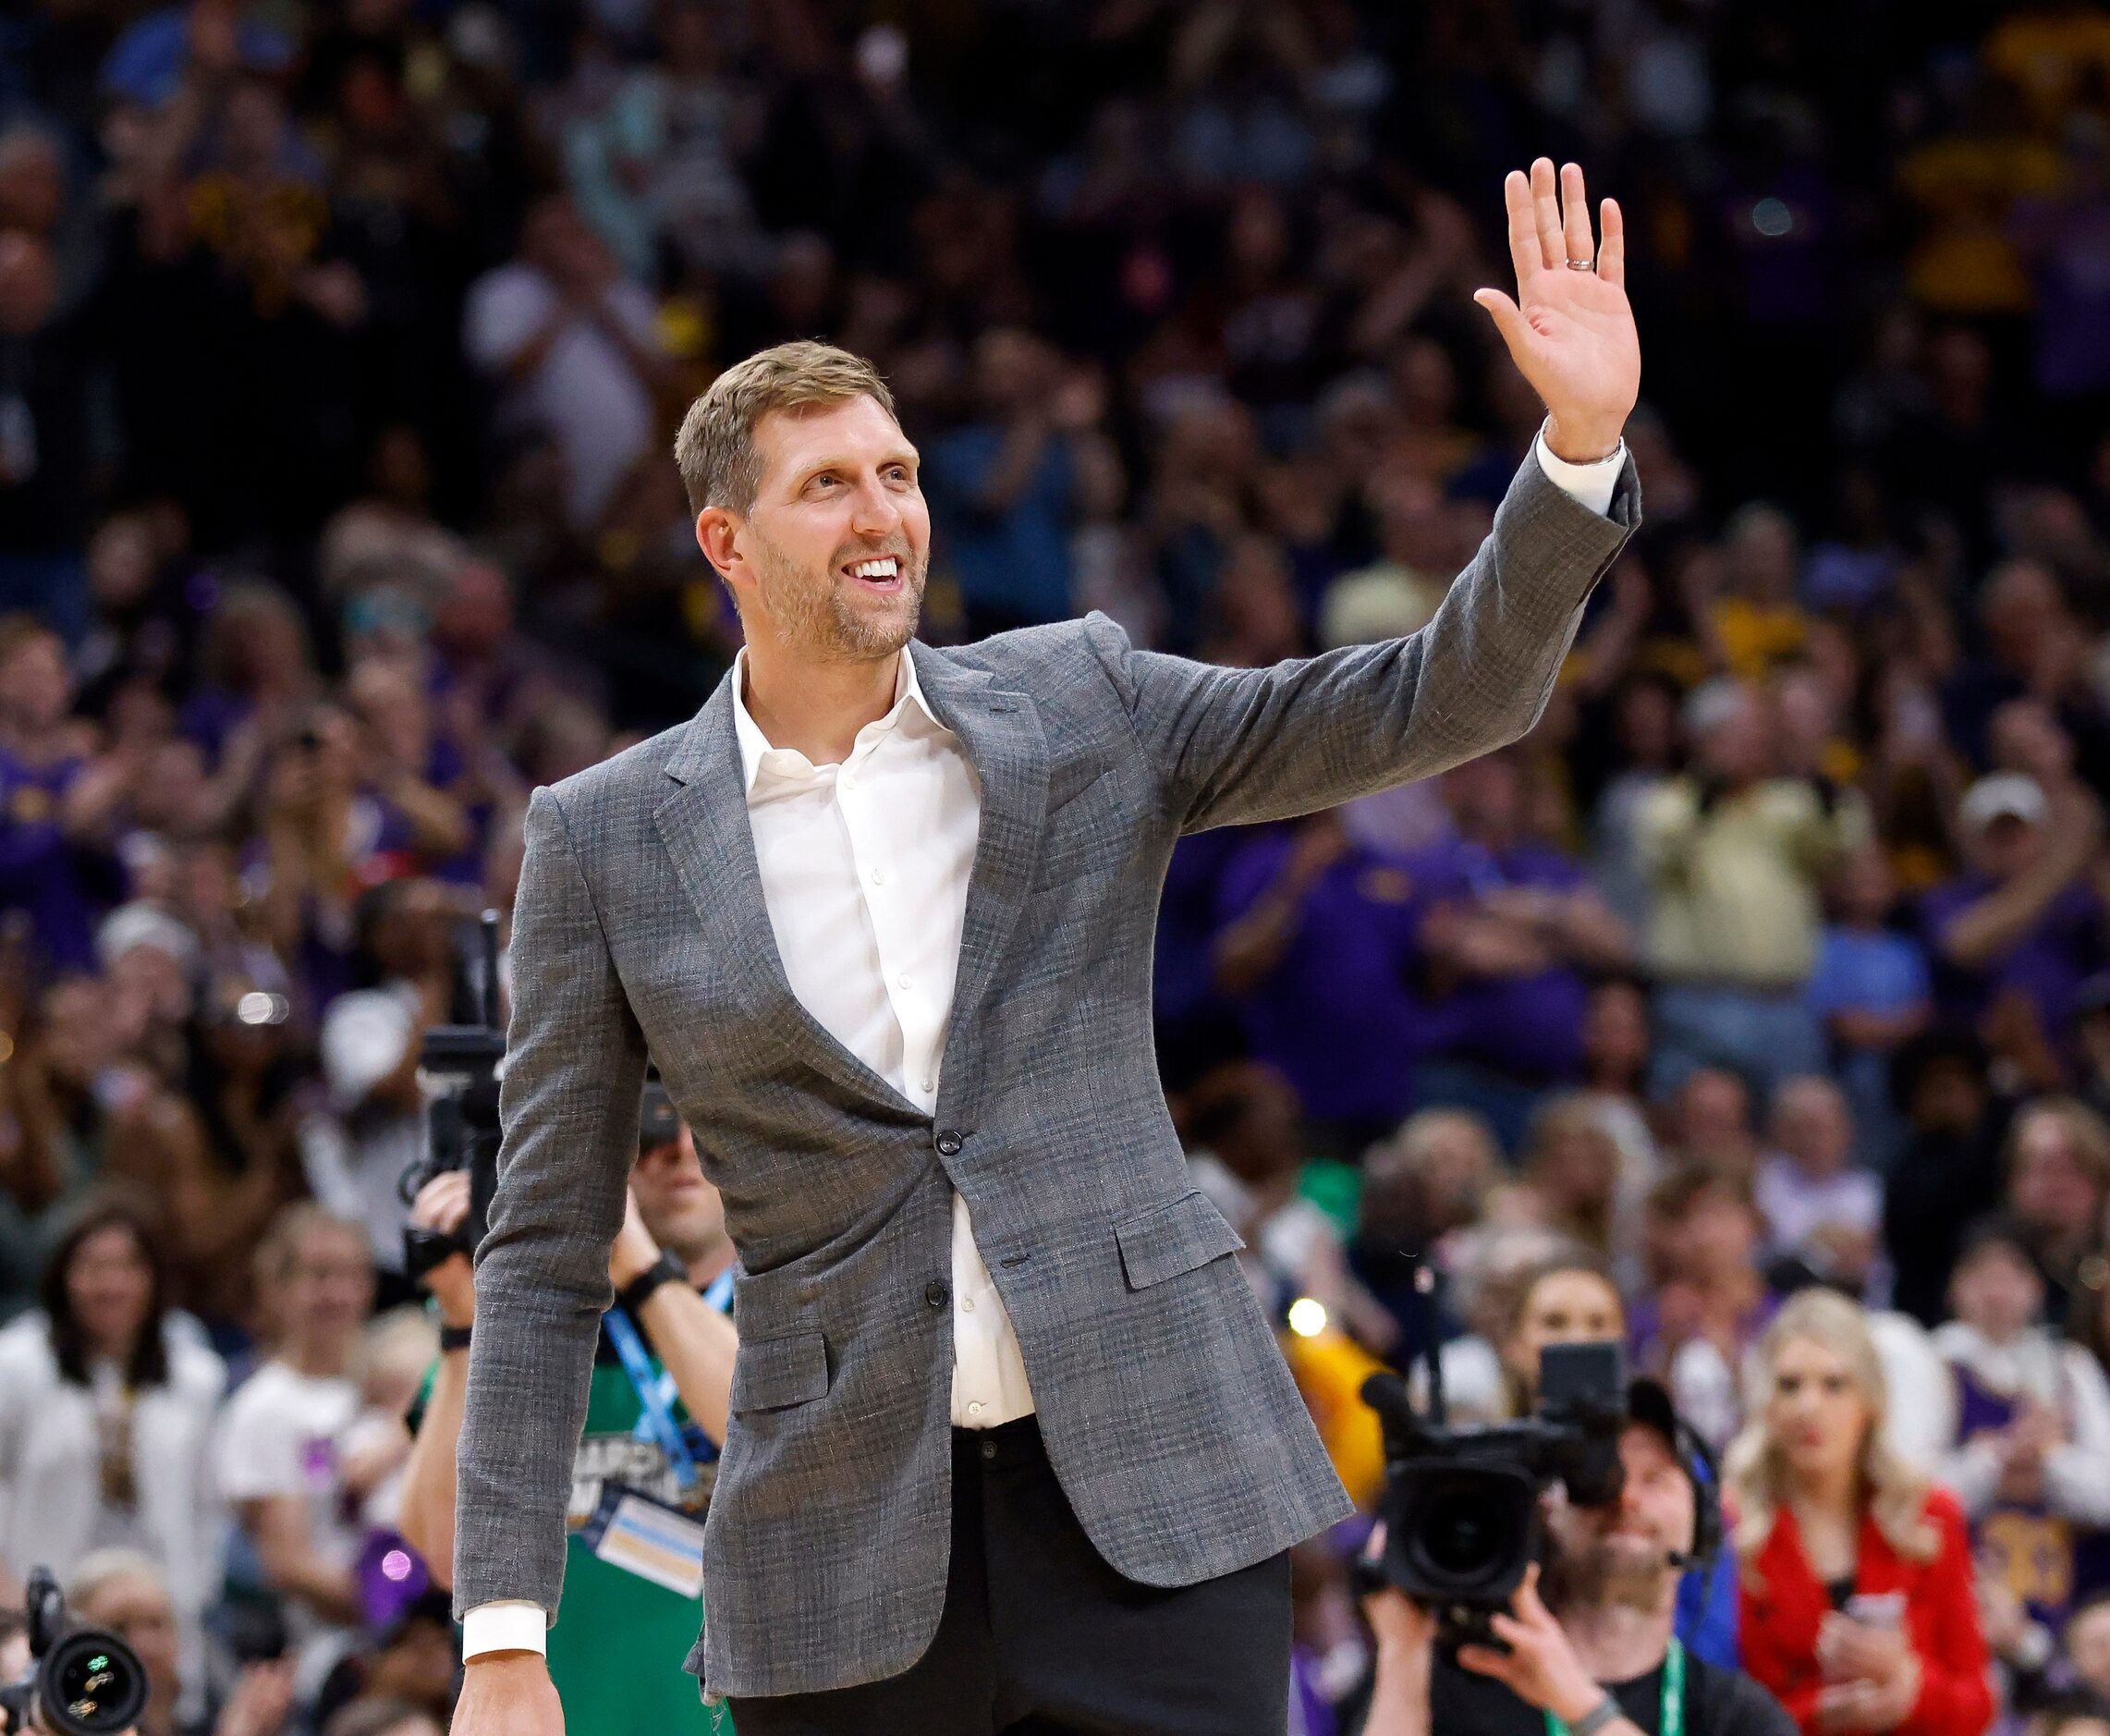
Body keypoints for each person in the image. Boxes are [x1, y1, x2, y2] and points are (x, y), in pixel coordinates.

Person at [452, 155, 1644, 1736]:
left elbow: (1437, 697)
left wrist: (1572, 450)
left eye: (899, 472)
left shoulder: (1079, 701)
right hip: (840, 1556)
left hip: (1158, 1499)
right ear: (724, 542)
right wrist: (499, 1636)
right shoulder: (603, 837)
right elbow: (538, 1253)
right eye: (829, 486)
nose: (884, 514)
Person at [396, 1084, 738, 1736]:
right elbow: (444, 1554)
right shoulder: (518, 1334)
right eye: (651, 1127)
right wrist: (465, 1321)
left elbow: (760, 1428)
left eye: (705, 1123)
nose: (681, 1150)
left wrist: (633, 1261)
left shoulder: (776, 1313)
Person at [1352, 1378, 1795, 1735]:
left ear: (1703, 1525)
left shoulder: (1736, 1715)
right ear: (1546, 1514)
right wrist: (1402, 1653)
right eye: (1596, 1481)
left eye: (1655, 1479)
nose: (1625, 1497)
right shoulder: (1460, 1680)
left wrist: (1574, 1700)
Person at [1729, 1288, 1994, 1736]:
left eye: (1835, 1384)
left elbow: (1977, 1705)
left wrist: (1913, 1689)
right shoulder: (1735, 1527)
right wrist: (1815, 1716)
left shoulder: (1931, 1516)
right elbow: (1713, 1714)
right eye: (1789, 1385)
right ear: (1766, 1404)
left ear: (1869, 1402)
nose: (1809, 1406)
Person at [0, 1199, 226, 1721]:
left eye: (128, 1267)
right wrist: (17, 1613)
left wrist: (183, 1602)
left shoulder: (196, 1377)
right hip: (43, 1605)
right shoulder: (16, 1367)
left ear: (152, 1278)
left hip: (159, 1614)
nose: (112, 1286)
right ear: (63, 1276)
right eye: (93, 1268)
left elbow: (208, 1509)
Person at [214, 1204, 376, 1705]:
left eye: (351, 1275)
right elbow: (287, 1563)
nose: (338, 1293)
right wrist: (401, 1607)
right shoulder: (265, 1407)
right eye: (319, 1275)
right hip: (325, 1659)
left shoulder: (386, 1384)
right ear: (278, 1288)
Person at [1933, 1217, 2110, 1632]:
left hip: (2066, 1590)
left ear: (2037, 1287)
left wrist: (2048, 1460)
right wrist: (1999, 1458)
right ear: (1954, 1286)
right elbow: (1916, 1493)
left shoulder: (2071, 1368)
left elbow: (2106, 1493)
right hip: (1962, 1587)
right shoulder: (1932, 1363)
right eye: (1981, 1276)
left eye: (2012, 1275)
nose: (1997, 1293)